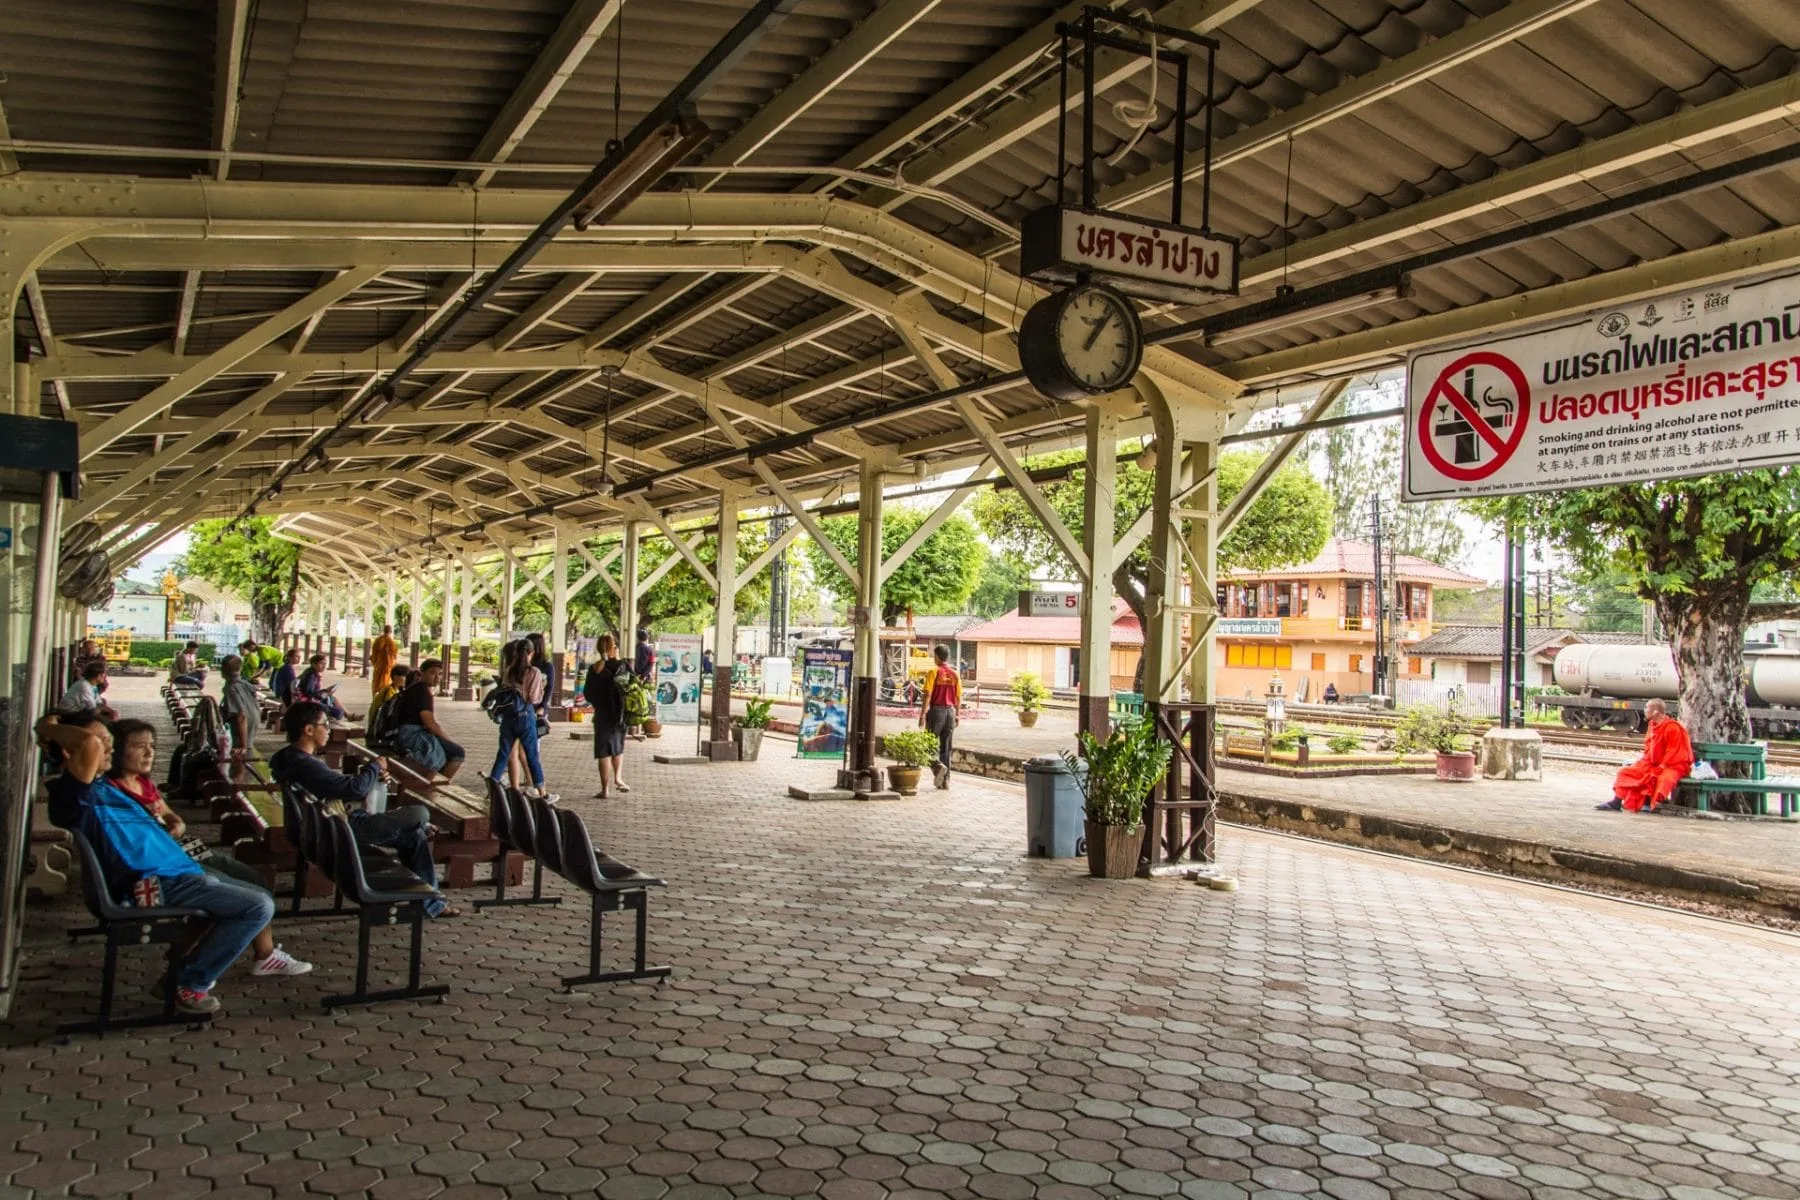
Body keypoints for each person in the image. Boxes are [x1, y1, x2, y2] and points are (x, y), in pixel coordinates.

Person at [37, 715, 289, 1015]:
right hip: (148, 883)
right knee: (257, 906)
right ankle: (188, 984)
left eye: (110, 741)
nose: (109, 748)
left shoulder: (104, 787)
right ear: (70, 750)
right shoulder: (76, 796)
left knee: (251, 891)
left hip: (175, 874)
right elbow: (87, 744)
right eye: (102, 742)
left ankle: (177, 975)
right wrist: (48, 728)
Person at [106, 718, 312, 977]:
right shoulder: (113, 794)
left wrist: (175, 826)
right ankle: (237, 958)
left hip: (182, 847)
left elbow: (173, 817)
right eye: (139, 746)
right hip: (165, 863)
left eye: (152, 745)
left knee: (253, 878)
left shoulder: (142, 782)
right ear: (114, 750)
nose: (149, 753)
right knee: (238, 894)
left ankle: (258, 953)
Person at [270, 701, 458, 918]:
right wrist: (375, 766)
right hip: (344, 832)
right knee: (419, 814)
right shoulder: (305, 764)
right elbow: (355, 789)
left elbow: (337, 784)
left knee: (414, 835)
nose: (329, 729)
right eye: (325, 724)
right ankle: (430, 900)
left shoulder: (290, 759)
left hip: (328, 829)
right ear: (309, 730)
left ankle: (431, 903)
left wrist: (370, 775)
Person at [490, 640, 557, 803]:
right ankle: (543, 793)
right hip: (526, 716)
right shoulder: (534, 672)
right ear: (531, 653)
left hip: (508, 717)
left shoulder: (509, 671)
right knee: (532, 756)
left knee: (503, 754)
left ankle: (492, 788)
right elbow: (534, 698)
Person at [1599, 698, 1694, 813]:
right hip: (1652, 762)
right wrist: (1645, 761)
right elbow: (1649, 748)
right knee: (1626, 772)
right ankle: (1616, 802)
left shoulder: (1672, 727)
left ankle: (1647, 803)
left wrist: (1662, 766)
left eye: (1647, 708)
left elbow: (1674, 751)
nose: (1644, 710)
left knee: (1660, 777)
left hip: (1672, 765)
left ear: (1656, 712)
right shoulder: (1652, 725)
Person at [392, 660, 465, 778]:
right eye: (432, 673)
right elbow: (430, 724)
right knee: (457, 753)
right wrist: (448, 740)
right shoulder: (422, 691)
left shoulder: (415, 688)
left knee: (450, 751)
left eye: (440, 674)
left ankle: (434, 782)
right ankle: (435, 785)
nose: (437, 677)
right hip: (411, 735)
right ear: (422, 673)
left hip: (403, 732)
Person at [582, 634, 633, 799]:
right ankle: (618, 778)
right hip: (620, 714)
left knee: (604, 752)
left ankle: (605, 790)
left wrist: (599, 703)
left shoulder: (595, 669)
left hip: (602, 715)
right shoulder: (623, 666)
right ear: (613, 648)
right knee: (618, 747)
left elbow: (587, 693)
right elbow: (634, 686)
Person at [919, 644, 962, 790]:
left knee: (927, 746)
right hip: (950, 712)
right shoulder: (955, 674)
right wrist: (957, 714)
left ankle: (938, 767)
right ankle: (945, 781)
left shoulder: (934, 672)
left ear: (937, 656)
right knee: (946, 748)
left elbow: (927, 694)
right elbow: (958, 697)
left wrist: (923, 714)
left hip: (936, 711)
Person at [219, 654, 260, 755]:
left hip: (242, 731)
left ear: (222, 670)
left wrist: (243, 746)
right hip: (252, 723)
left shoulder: (231, 688)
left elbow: (241, 717)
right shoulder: (244, 683)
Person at [297, 653, 348, 721]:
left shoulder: (311, 672)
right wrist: (325, 693)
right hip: (309, 703)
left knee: (332, 698)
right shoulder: (311, 675)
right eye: (321, 664)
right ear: (313, 664)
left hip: (311, 700)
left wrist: (326, 690)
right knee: (339, 713)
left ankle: (349, 715)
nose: (324, 666)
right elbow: (309, 693)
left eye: (325, 664)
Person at [370, 624, 398, 693]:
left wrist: (375, 661)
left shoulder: (377, 640)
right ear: (391, 631)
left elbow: (374, 653)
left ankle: (375, 697)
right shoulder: (391, 642)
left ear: (384, 630)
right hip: (386, 667)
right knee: (385, 683)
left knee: (376, 682)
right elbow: (394, 655)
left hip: (378, 665)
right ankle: (383, 697)